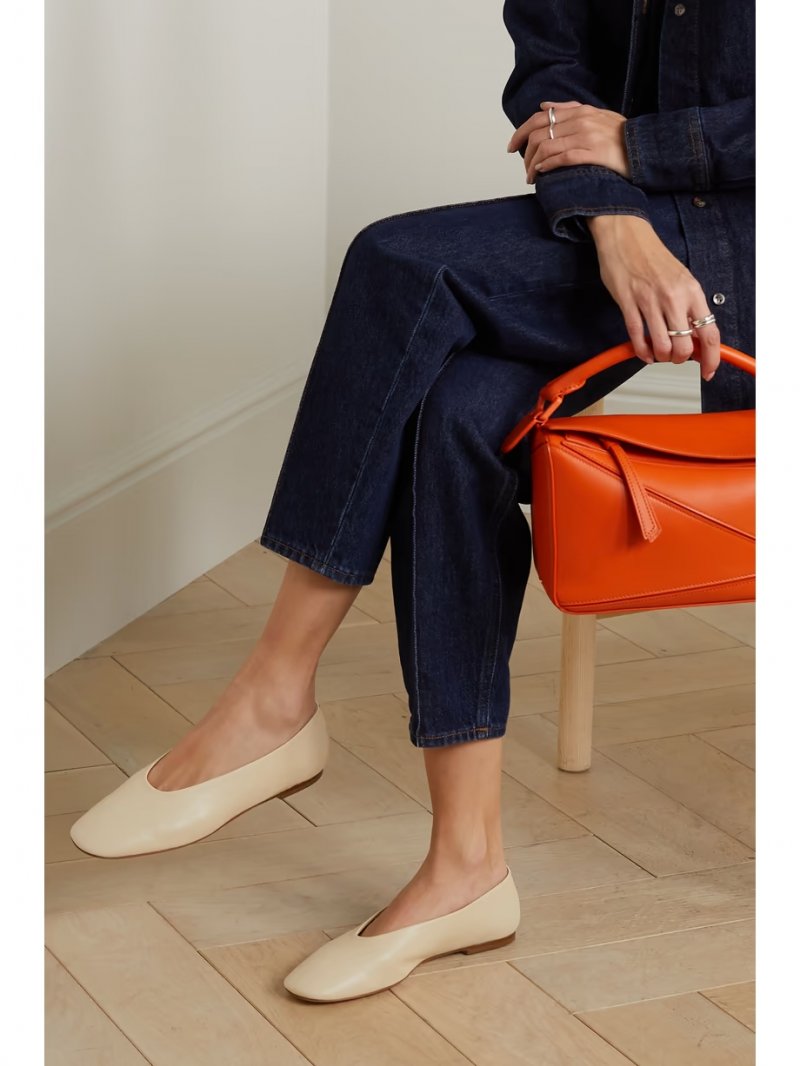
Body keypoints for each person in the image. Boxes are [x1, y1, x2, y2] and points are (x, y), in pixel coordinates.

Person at [69, 0, 754, 1003]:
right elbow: (551, 77)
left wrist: (641, 145)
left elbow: (617, 127)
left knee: (399, 263)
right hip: (642, 216)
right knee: (454, 407)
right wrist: (613, 217)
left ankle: (271, 697)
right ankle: (465, 867)